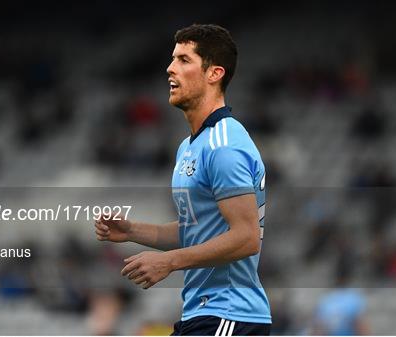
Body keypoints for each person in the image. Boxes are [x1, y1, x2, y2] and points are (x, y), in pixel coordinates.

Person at [95, 24, 271, 335]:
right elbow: (197, 229)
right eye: (173, 59)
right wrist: (133, 230)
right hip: (204, 313)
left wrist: (169, 262)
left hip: (230, 314)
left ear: (214, 73)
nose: (170, 68)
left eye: (184, 60)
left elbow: (246, 237)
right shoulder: (189, 147)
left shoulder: (224, 143)